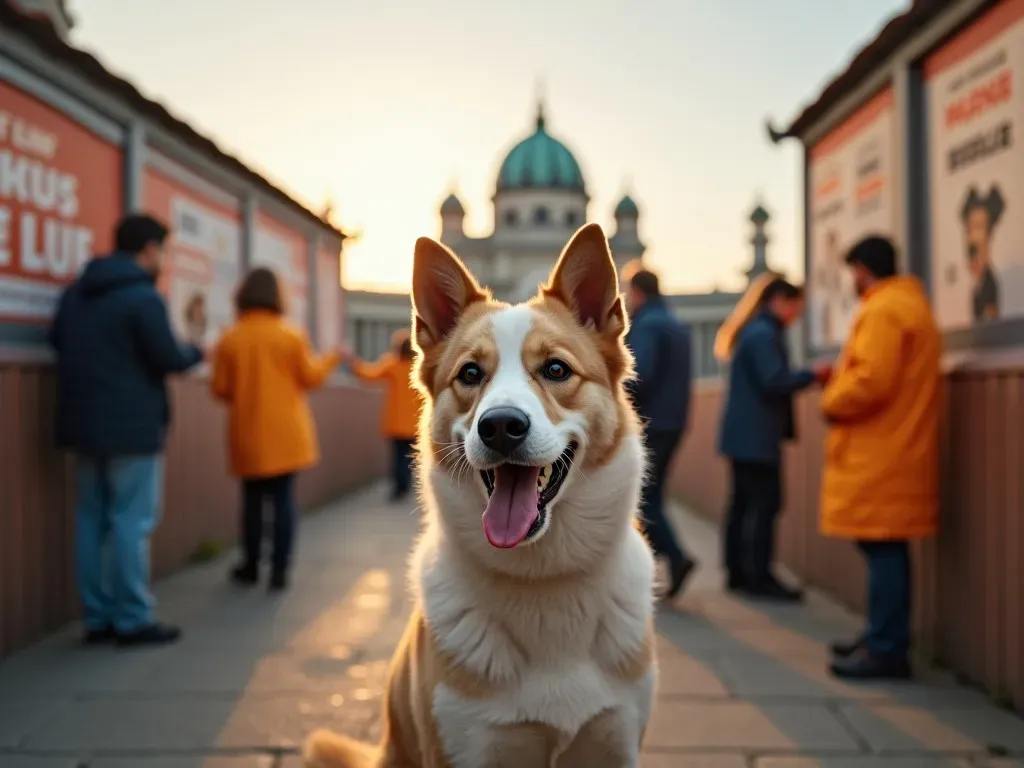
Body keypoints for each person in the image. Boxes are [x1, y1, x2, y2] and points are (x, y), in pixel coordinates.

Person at [50, 214, 203, 647]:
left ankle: (97, 618)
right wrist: (195, 348)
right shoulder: (143, 298)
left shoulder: (76, 294)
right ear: (150, 249)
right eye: (165, 252)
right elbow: (169, 358)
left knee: (90, 519)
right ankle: (133, 619)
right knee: (131, 522)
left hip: (82, 425)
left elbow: (58, 341)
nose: (166, 262)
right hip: (133, 431)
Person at [820, 236, 941, 680]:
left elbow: (870, 379)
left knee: (884, 551)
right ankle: (879, 637)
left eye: (853, 272)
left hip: (882, 452)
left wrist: (830, 399)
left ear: (863, 270)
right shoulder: (907, 305)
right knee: (884, 549)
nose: (853, 281)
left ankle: (887, 648)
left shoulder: (884, 309)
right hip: (895, 447)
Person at [211, 267, 340, 591]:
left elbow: (220, 389)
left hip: (247, 434)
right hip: (288, 436)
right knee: (283, 502)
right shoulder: (291, 336)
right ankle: (280, 571)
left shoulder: (229, 338)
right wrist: (333, 358)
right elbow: (311, 378)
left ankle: (250, 566)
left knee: (251, 502)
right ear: (277, 297)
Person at [715, 274, 829, 602]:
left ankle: (737, 572)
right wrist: (814, 374)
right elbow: (775, 380)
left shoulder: (753, 331)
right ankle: (759, 576)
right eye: (796, 306)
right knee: (765, 505)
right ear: (778, 300)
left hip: (743, 435)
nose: (797, 315)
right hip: (757, 437)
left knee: (742, 505)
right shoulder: (764, 334)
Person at [622, 263, 695, 599]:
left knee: (643, 498)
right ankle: (663, 560)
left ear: (637, 292)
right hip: (673, 421)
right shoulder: (674, 322)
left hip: (650, 422)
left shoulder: (648, 324)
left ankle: (675, 558)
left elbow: (640, 373)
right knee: (653, 495)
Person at [342, 330, 420, 501]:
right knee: (414, 457)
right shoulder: (418, 367)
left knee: (398, 457)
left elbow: (369, 374)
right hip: (415, 424)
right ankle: (409, 485)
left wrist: (352, 362)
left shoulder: (392, 364)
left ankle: (400, 487)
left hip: (396, 423)